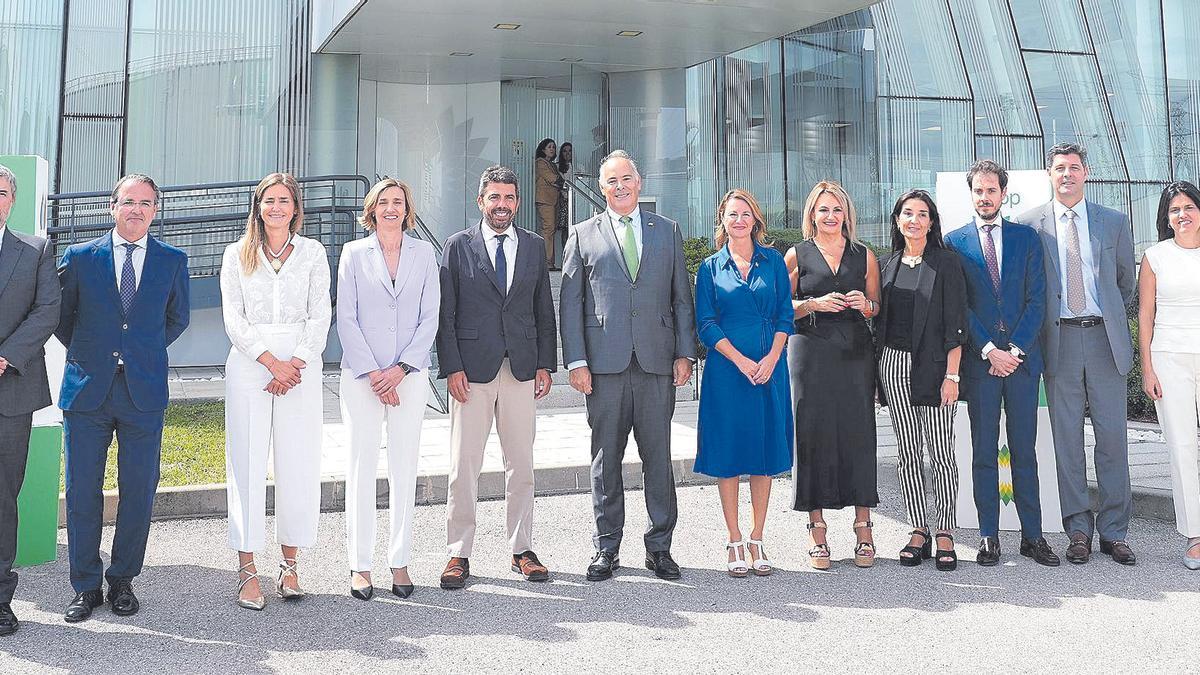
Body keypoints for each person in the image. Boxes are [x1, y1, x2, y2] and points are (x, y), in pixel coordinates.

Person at [56, 174, 190, 622]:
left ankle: (123, 580)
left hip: (143, 392)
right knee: (80, 491)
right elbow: (61, 318)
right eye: (128, 201)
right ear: (112, 207)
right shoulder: (79, 257)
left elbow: (177, 319)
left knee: (138, 491)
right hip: (87, 391)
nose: (136, 210)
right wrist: (94, 353)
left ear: (156, 210)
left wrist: (139, 353)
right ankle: (85, 586)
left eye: (146, 203)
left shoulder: (172, 260)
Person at [560, 149, 698, 582]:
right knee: (606, 460)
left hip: (657, 363)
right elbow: (571, 304)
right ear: (601, 190)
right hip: (603, 366)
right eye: (611, 182)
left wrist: (685, 352)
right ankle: (607, 548)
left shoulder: (667, 231)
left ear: (639, 183)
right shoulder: (582, 234)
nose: (619, 187)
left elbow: (681, 298)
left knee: (658, 458)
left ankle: (660, 548)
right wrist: (577, 361)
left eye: (626, 179)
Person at [1013, 143, 1137, 566]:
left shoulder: (1115, 222)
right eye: (1060, 168)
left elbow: (1125, 284)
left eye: (1074, 168)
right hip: (1059, 342)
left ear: (1087, 173)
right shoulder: (1029, 224)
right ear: (1050, 174)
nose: (1067, 174)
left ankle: (1115, 532)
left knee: (1112, 440)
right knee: (1067, 440)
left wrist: (1103, 317)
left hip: (1103, 340)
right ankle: (1079, 530)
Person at [436, 165, 557, 589]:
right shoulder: (457, 246)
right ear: (480, 201)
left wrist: (545, 363)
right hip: (471, 372)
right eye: (494, 197)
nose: (501, 205)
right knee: (463, 465)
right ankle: (458, 554)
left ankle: (522, 549)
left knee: (521, 463)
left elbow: (544, 310)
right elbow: (445, 314)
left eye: (508, 198)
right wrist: (451, 367)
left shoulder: (533, 246)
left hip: (521, 368)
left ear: (518, 202)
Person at [220, 173, 330, 610]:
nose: (277, 207)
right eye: (269, 200)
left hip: (301, 369)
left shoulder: (313, 253)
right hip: (251, 366)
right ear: (258, 207)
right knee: (245, 463)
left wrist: (294, 364)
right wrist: (270, 362)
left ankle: (290, 565)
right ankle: (248, 569)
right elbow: (234, 318)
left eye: (284, 200)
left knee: (297, 463)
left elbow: (321, 314)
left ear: (296, 207)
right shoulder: (237, 254)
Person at [944, 160, 1058, 567]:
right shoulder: (953, 242)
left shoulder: (1027, 239)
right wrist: (990, 350)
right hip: (982, 363)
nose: (985, 197)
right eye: (979, 190)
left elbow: (1037, 300)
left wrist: (1015, 352)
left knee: (1025, 449)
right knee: (983, 450)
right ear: (971, 193)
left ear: (1002, 194)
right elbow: (959, 306)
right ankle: (988, 536)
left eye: (992, 190)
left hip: (1023, 364)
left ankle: (1033, 536)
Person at [337, 178, 439, 600]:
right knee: (361, 467)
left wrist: (399, 370)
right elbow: (346, 316)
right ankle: (360, 564)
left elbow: (429, 316)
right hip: (363, 379)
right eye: (384, 202)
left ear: (407, 208)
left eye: (399, 201)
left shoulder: (423, 252)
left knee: (404, 467)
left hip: (409, 378)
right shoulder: (353, 253)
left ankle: (400, 560)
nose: (392, 208)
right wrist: (375, 374)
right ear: (372, 209)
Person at [693, 189, 792, 577]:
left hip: (770, 370)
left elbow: (786, 314)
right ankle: (734, 538)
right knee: (730, 453)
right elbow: (706, 323)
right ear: (723, 220)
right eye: (732, 214)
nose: (739, 220)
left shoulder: (774, 262)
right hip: (728, 373)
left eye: (745, 214)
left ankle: (757, 537)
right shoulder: (710, 268)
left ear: (756, 220)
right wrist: (741, 360)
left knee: (764, 454)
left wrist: (771, 358)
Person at [786, 180, 881, 570]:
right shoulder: (797, 254)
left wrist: (865, 303)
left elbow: (877, 307)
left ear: (846, 214)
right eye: (823, 209)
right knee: (812, 435)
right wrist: (812, 303)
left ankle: (863, 527)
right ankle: (817, 529)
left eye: (837, 209)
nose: (830, 216)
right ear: (812, 214)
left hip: (855, 354)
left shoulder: (865, 255)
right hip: (810, 353)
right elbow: (780, 307)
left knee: (859, 436)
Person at [874, 189, 967, 571]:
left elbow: (956, 325)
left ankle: (944, 530)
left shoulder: (946, 263)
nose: (914, 220)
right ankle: (919, 528)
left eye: (922, 214)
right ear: (898, 220)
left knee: (941, 451)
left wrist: (952, 374)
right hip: (893, 364)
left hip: (935, 367)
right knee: (908, 452)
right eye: (907, 213)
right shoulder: (886, 265)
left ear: (932, 222)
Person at [0, 165, 61, 635]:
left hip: (10, 390)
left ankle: (0, 597)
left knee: (2, 497)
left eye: (0, 192)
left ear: (12, 200)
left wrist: (5, 357)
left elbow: (47, 310)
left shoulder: (35, 250)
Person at [1138, 180, 1200, 569]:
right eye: (1174, 209)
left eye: (1189, 207)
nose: (1183, 215)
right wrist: (1147, 367)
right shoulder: (1155, 256)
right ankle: (1195, 535)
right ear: (1166, 217)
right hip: (1170, 358)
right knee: (1182, 448)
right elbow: (1146, 315)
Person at [534, 138, 563, 270]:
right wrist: (559, 180)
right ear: (543, 149)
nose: (552, 149)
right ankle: (547, 263)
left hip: (553, 200)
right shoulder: (540, 162)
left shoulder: (551, 164)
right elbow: (554, 179)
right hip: (545, 200)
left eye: (554, 147)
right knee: (548, 230)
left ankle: (550, 262)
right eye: (550, 147)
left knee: (551, 230)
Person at [556, 142, 574, 250]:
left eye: (570, 151)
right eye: (564, 151)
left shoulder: (578, 166)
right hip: (564, 200)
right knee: (565, 230)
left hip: (575, 200)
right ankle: (565, 256)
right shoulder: (557, 166)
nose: (567, 153)